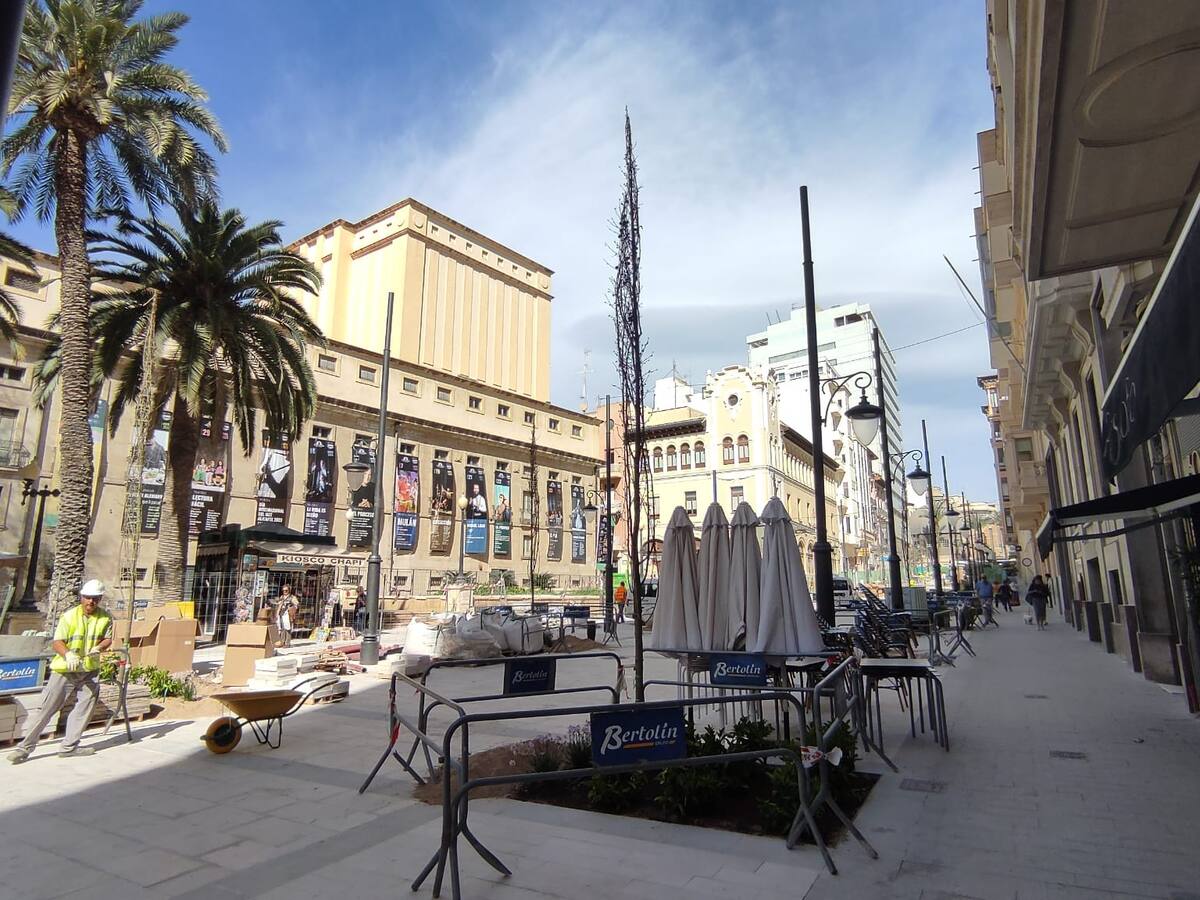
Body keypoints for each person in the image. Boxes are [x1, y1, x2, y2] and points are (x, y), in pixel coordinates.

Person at [8, 580, 112, 764]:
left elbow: (108, 638)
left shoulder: (105, 617)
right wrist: (68, 654)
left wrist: (99, 647)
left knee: (84, 708)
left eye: (95, 599)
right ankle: (23, 749)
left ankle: (69, 747)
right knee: (47, 709)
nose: (91, 602)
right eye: (88, 598)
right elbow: (57, 642)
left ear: (100, 599)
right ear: (81, 597)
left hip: (88, 669)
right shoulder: (69, 617)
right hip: (65, 669)